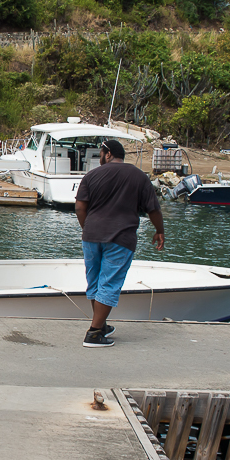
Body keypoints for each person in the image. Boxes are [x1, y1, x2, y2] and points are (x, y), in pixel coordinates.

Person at [74, 139, 165, 348]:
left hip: (91, 236)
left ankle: (101, 324)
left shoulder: (91, 176)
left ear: (108, 153)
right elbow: (153, 209)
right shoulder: (138, 176)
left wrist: (87, 228)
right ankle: (95, 333)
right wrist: (159, 231)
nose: (99, 159)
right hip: (121, 237)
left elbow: (80, 208)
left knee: (95, 281)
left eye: (100, 154)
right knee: (109, 282)